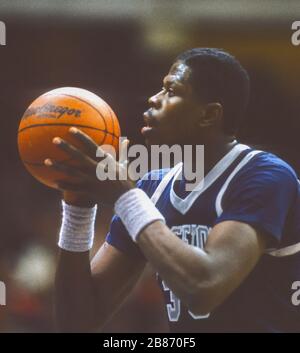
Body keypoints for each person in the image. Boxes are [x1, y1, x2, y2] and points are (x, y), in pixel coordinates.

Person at [46, 48, 300, 332]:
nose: (154, 99)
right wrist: (78, 208)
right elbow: (76, 322)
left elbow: (204, 289)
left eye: (171, 90)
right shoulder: (153, 188)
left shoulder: (265, 176)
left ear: (208, 114)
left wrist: (125, 197)